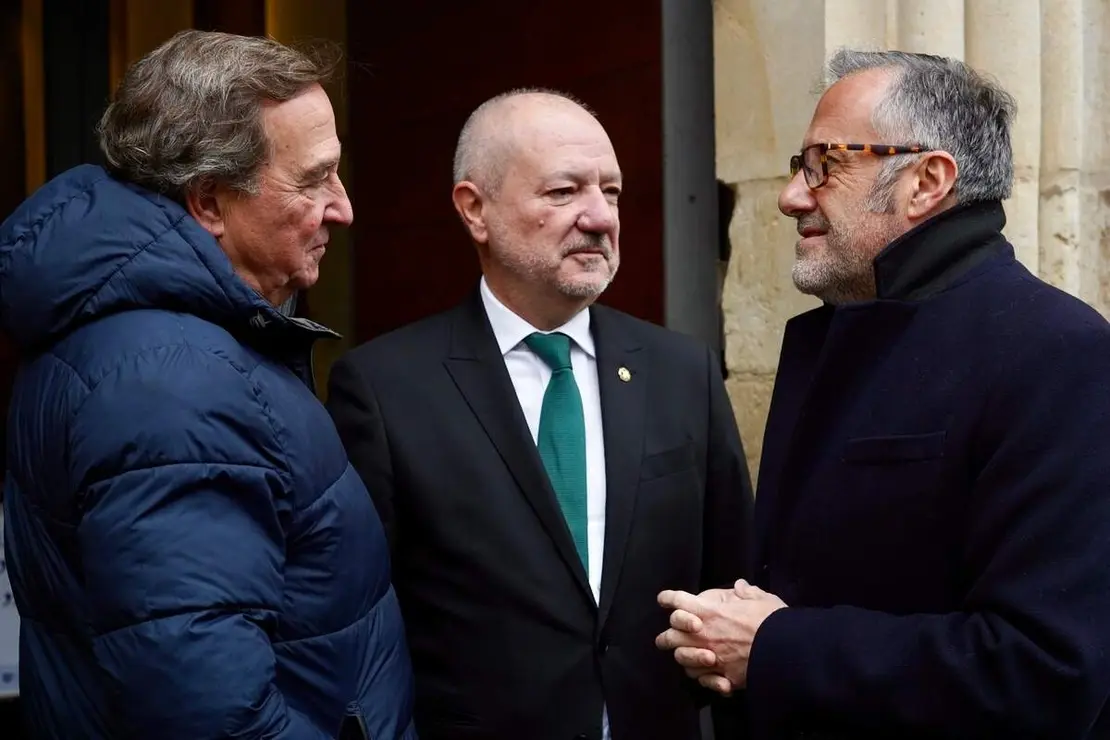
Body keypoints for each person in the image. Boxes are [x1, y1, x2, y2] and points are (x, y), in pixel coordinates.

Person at [655, 49, 1110, 739]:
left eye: (825, 164)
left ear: (927, 181)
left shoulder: (1059, 352)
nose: (790, 196)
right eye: (796, 166)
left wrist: (774, 648)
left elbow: (1043, 671)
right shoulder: (837, 334)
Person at [0, 30, 415, 739]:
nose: (342, 208)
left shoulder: (167, 344)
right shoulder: (170, 381)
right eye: (314, 178)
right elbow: (210, 713)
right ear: (209, 202)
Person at [325, 89, 754, 740]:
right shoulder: (386, 389)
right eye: (564, 192)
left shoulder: (682, 372)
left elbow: (731, 594)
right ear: (476, 210)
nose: (600, 217)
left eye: (610, 192)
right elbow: (360, 628)